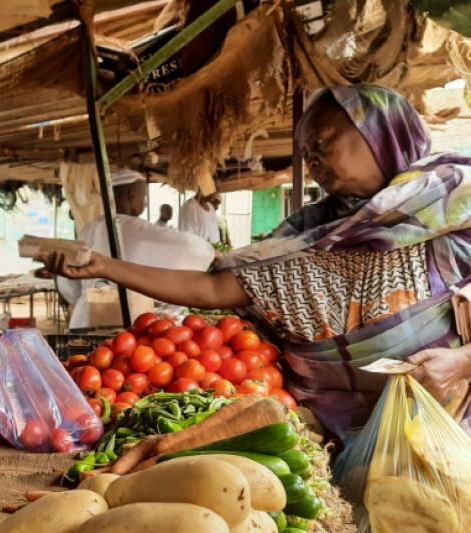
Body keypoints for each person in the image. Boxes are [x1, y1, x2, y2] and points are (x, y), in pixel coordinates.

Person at [42, 84, 471, 445]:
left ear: (379, 133)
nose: (312, 161)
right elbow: (212, 289)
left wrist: (462, 362)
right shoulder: (310, 235)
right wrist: (104, 266)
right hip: (348, 439)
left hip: (450, 428)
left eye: (321, 144)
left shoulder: (457, 207)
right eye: (306, 152)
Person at [55, 169, 215, 329]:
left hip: (84, 320)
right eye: (143, 196)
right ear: (132, 195)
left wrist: (89, 297)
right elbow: (187, 245)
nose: (145, 203)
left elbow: (68, 285)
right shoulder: (135, 228)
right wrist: (212, 253)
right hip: (126, 321)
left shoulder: (90, 228)